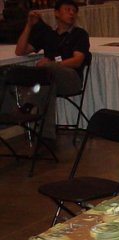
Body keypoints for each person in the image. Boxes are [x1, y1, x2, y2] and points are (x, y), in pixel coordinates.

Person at [14, 0, 90, 140]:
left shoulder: (79, 34)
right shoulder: (48, 34)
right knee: (48, 86)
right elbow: (20, 51)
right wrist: (29, 25)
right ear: (56, 13)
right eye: (67, 9)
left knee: (46, 69)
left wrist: (53, 64)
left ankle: (28, 103)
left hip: (71, 79)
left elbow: (77, 60)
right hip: (51, 80)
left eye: (74, 11)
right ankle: (47, 137)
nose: (71, 13)